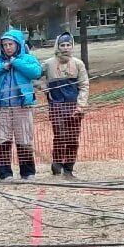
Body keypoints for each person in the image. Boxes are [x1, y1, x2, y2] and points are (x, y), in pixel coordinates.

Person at [0, 30, 43, 180]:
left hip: (23, 106)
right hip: (2, 107)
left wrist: (16, 62)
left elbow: (36, 72)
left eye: (11, 44)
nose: (8, 47)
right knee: (2, 139)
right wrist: (3, 67)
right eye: (5, 45)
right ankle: (5, 173)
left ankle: (27, 172)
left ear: (18, 44)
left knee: (24, 139)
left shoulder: (28, 58)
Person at [42, 33, 90, 179]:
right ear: (58, 46)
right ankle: (57, 163)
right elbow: (33, 76)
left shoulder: (78, 63)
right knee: (60, 136)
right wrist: (44, 87)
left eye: (68, 45)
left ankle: (69, 168)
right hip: (56, 106)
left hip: (74, 106)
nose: (66, 48)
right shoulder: (49, 64)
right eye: (62, 45)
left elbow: (84, 85)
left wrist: (81, 105)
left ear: (72, 46)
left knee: (73, 138)